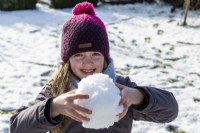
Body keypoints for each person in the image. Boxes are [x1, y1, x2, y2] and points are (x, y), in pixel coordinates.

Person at [9, 2, 178, 133]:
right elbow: (17, 127)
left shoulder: (120, 88)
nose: (88, 63)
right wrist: (54, 107)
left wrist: (139, 96)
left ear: (105, 56)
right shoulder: (57, 89)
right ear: (68, 60)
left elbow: (170, 111)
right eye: (79, 55)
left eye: (95, 54)